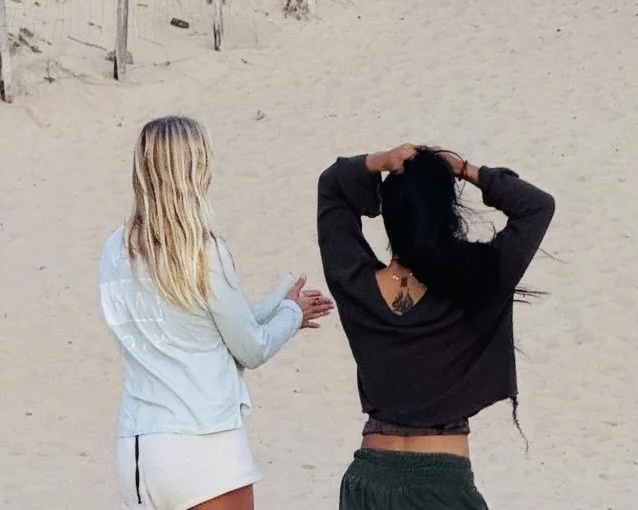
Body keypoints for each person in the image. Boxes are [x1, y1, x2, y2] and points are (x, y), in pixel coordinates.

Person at [98, 115, 335, 510]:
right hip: (204, 445)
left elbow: (193, 330)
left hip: (137, 451)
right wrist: (291, 315)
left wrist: (282, 305)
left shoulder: (114, 249)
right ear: (197, 169)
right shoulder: (204, 250)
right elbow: (251, 349)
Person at [317, 143, 556, 510]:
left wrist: (377, 162)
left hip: (366, 480)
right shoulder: (477, 280)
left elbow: (332, 187)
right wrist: (467, 170)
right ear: (447, 212)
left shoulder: (354, 281)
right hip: (441, 483)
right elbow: (537, 206)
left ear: (390, 215)